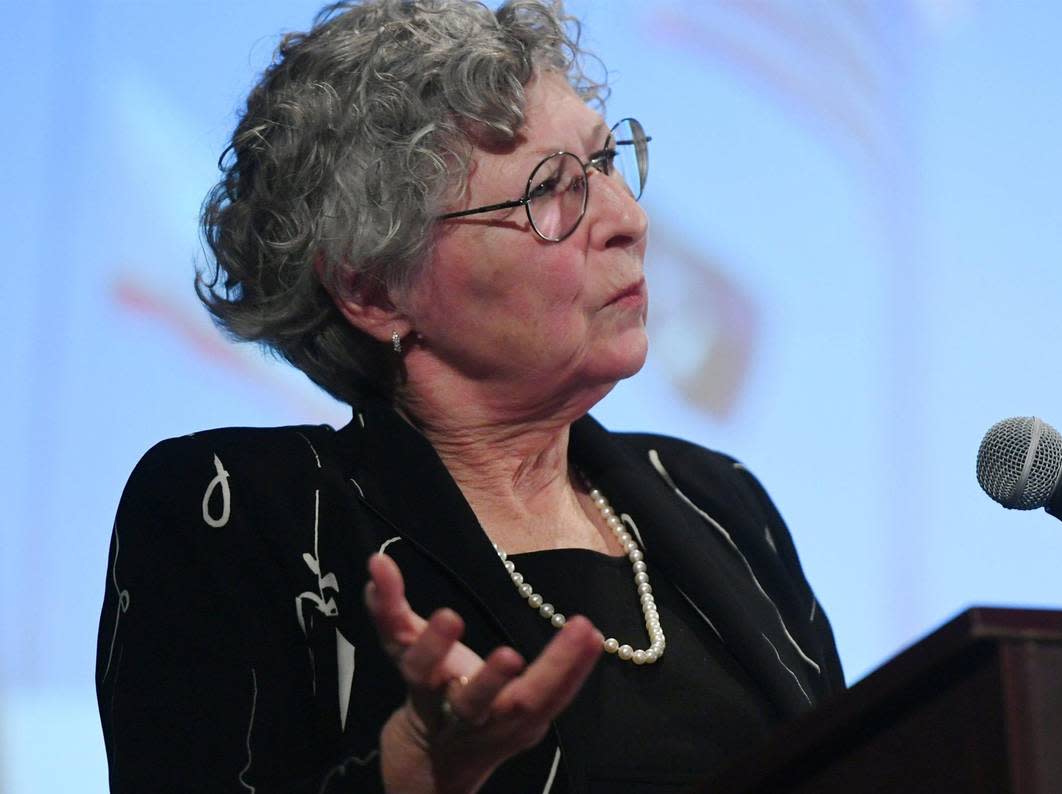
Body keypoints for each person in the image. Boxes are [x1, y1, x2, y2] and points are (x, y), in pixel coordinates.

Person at [95, 0, 844, 791]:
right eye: (551, 189)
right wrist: (411, 778)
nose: (628, 219)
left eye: (607, 161)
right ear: (373, 289)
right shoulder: (239, 513)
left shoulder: (719, 504)